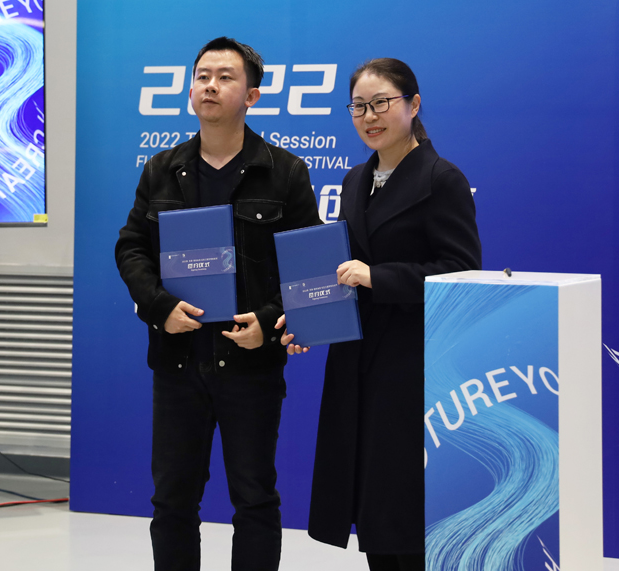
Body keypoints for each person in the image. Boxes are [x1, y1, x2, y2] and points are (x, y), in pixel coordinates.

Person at [115, 37, 320, 571]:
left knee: (254, 500)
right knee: (172, 501)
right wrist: (159, 305)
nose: (210, 85)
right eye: (202, 76)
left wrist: (270, 323)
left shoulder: (285, 172)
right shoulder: (161, 169)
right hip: (177, 364)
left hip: (250, 364)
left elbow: (310, 266)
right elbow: (131, 246)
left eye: (225, 77)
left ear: (251, 96)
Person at [277, 58, 482, 571]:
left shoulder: (441, 178)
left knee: (405, 510)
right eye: (359, 107)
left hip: (412, 366)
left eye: (382, 103)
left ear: (413, 105)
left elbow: (462, 273)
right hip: (356, 361)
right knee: (372, 509)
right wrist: (306, 319)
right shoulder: (355, 179)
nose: (370, 116)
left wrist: (379, 277)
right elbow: (341, 269)